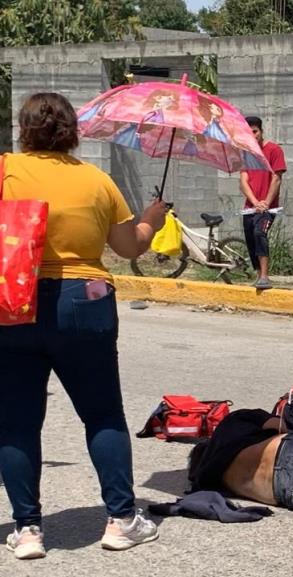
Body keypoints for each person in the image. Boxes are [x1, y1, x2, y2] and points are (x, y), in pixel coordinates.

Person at [0, 93, 164, 560]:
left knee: (17, 422)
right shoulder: (96, 181)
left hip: (16, 300)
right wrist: (151, 220)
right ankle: (121, 520)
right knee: (103, 414)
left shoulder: (5, 170)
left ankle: (28, 530)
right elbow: (129, 247)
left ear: (24, 128)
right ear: (72, 130)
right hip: (85, 299)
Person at [240, 116, 287, 290]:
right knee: (251, 238)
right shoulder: (247, 152)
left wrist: (266, 203)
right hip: (250, 206)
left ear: (261, 131)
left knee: (260, 233)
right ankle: (259, 275)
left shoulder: (274, 150)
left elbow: (276, 178)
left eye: (255, 131)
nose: (252, 135)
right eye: (249, 132)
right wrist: (254, 202)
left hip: (269, 207)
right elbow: (243, 181)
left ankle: (265, 276)